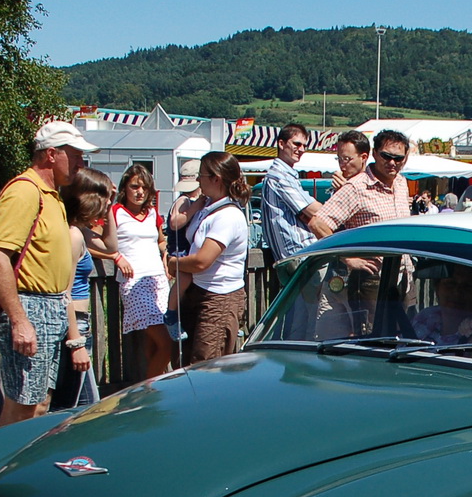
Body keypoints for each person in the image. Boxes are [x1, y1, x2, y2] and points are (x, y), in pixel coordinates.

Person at [0, 119, 93, 426]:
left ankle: (17, 455)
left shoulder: (52, 195)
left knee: (39, 403)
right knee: (24, 405)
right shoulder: (25, 191)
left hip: (49, 306)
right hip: (30, 306)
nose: (81, 163)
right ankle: (3, 457)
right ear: (51, 154)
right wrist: (19, 320)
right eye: (75, 155)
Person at [173, 152, 251, 362]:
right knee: (188, 362)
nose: (198, 180)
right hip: (198, 292)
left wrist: (173, 263)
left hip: (219, 299)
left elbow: (202, 261)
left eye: (201, 175)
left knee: (207, 364)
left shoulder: (228, 216)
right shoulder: (207, 208)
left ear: (216, 179)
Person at [52, 167, 116, 409]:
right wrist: (75, 342)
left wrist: (110, 208)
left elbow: (110, 246)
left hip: (79, 325)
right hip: (74, 326)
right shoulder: (73, 236)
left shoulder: (77, 231)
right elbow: (64, 293)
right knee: (70, 407)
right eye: (104, 198)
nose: (107, 203)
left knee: (88, 405)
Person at [108, 164, 175, 380]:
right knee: (167, 342)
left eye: (144, 188)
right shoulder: (115, 212)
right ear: (125, 188)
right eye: (134, 186)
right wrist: (116, 256)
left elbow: (161, 241)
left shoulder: (152, 213)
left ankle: (154, 386)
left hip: (159, 281)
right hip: (134, 282)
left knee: (153, 345)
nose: (140, 192)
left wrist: (166, 256)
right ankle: (150, 388)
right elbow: (91, 240)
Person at [261, 124, 336, 273]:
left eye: (304, 146)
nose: (301, 149)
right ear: (281, 144)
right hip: (300, 257)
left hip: (301, 257)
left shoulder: (287, 175)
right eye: (297, 144)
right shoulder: (279, 176)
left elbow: (309, 213)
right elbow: (315, 211)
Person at [317, 129, 412, 231]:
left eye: (398, 158)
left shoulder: (401, 183)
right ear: (374, 154)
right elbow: (318, 223)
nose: (392, 162)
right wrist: (340, 242)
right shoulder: (356, 187)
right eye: (386, 156)